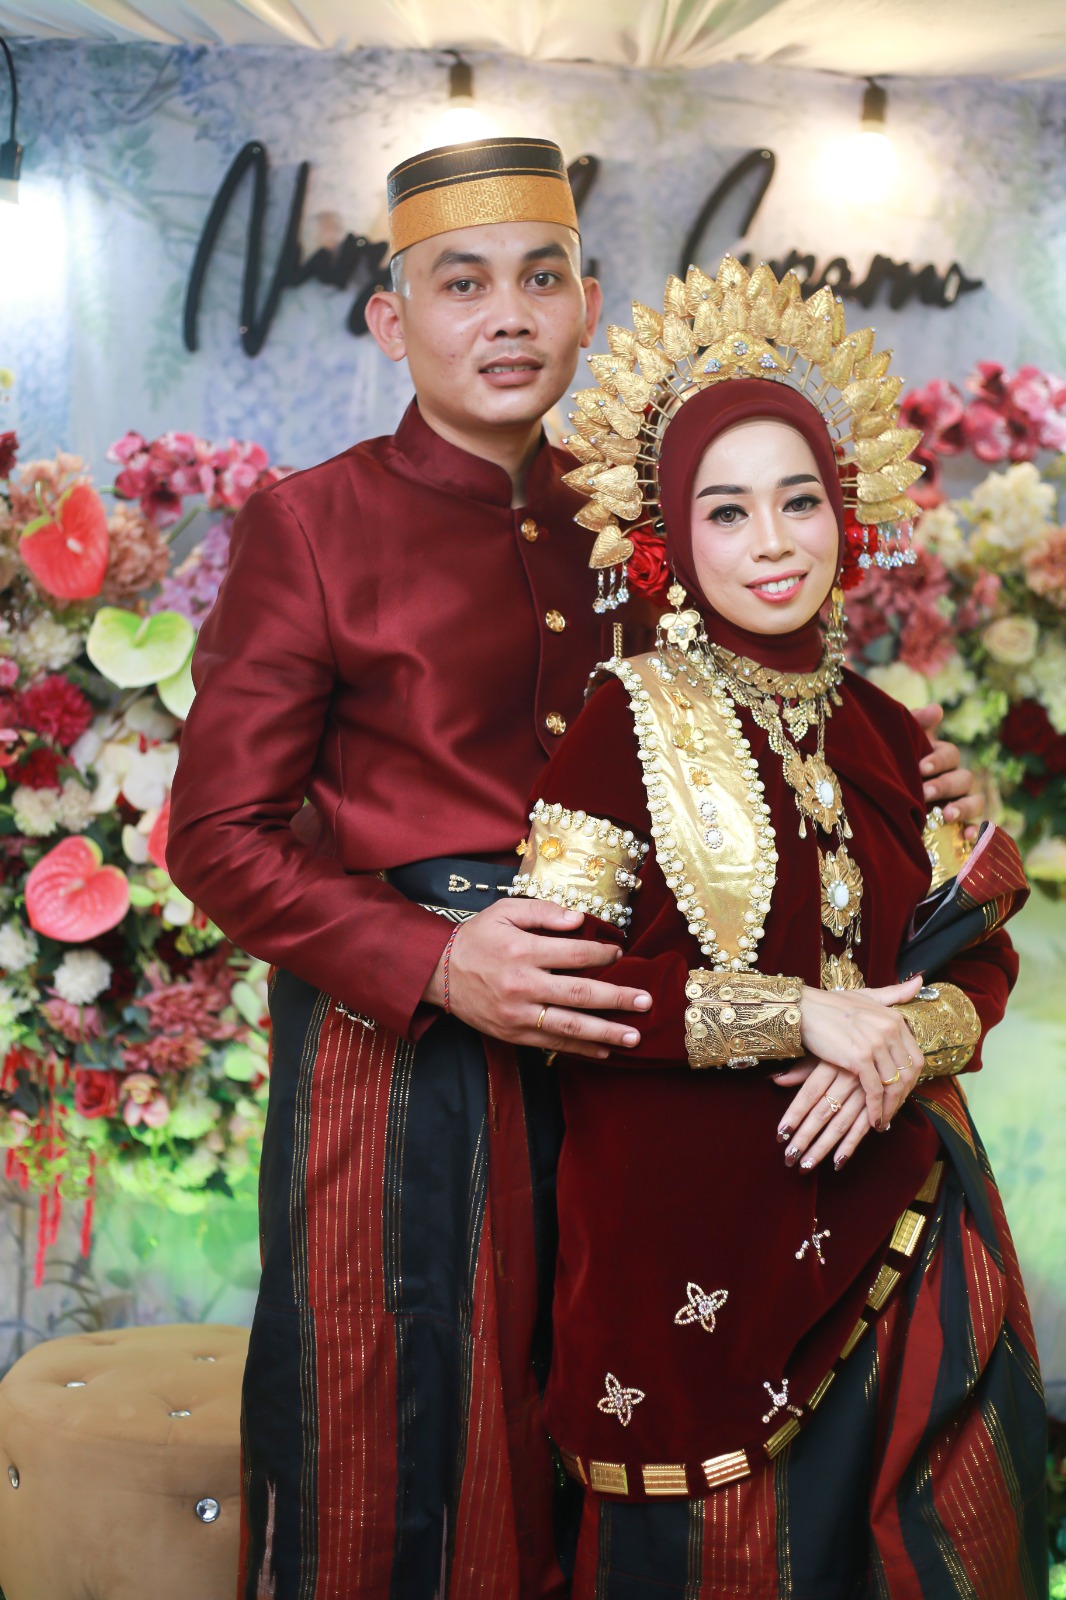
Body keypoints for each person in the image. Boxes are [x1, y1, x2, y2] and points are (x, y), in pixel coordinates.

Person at [166, 136, 980, 1599]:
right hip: (405, 1061)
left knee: (624, 1422)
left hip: (652, 1048)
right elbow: (217, 835)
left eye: (542, 279)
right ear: (389, 318)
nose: (508, 316)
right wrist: (435, 961)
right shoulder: (313, 524)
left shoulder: (657, 519)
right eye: (460, 283)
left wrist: (922, 788)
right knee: (404, 1421)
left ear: (589, 305)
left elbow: (778, 713)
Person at [514, 259, 1047, 1598]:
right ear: (666, 536)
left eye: (799, 500)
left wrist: (899, 1044)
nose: (772, 541)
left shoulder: (887, 726)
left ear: (843, 513)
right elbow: (556, 992)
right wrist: (798, 1015)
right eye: (726, 508)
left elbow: (975, 951)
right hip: (687, 1248)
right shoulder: (622, 720)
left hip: (899, 1212)